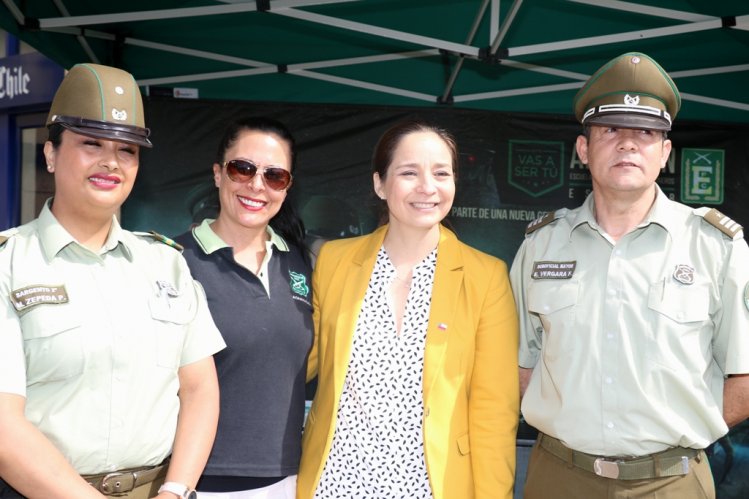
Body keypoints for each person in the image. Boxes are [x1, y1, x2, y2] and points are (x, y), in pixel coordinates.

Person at [511, 51, 749, 499]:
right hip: (559, 476)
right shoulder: (541, 245)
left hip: (672, 481)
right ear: (584, 150)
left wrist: (685, 426)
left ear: (665, 153)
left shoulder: (716, 247)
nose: (627, 144)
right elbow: (521, 364)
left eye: (646, 132)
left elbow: (745, 375)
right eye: (611, 130)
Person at [0, 63, 226, 499]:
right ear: (51, 153)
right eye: (91, 144)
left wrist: (175, 490)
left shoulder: (167, 265)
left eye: (127, 150)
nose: (111, 162)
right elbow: (4, 424)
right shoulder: (9, 266)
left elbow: (199, 389)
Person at [297, 120, 520, 499]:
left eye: (440, 173)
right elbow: (296, 364)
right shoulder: (334, 262)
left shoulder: (486, 277)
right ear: (380, 184)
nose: (427, 187)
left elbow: (494, 414)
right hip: (335, 483)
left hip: (433, 487)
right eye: (409, 172)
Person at [174, 117, 313, 499]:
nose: (256, 185)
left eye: (275, 176)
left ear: (287, 188)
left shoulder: (301, 263)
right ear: (218, 173)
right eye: (242, 168)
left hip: (288, 481)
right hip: (196, 484)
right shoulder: (172, 260)